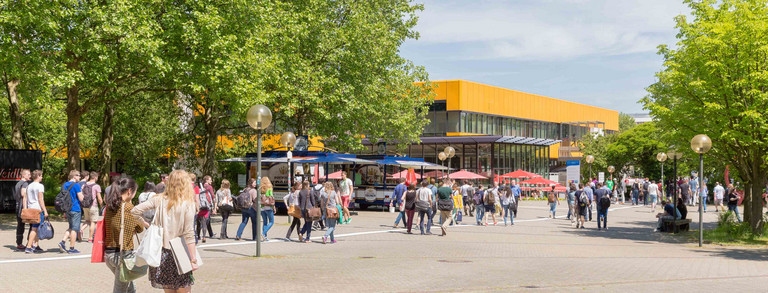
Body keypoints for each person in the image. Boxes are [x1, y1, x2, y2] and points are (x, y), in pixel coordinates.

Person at [132, 170, 198, 292]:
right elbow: (189, 234)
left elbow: (134, 210)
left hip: (161, 252)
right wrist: (193, 259)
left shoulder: (158, 199)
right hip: (180, 252)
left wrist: (145, 223)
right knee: (184, 290)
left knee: (168, 290)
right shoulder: (188, 203)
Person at [103, 177, 144, 293]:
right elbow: (140, 228)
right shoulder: (128, 207)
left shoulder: (110, 206)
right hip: (123, 256)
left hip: (109, 254)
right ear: (130, 191)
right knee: (120, 290)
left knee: (131, 288)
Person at [58, 170, 84, 254]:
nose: (80, 177)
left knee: (71, 226)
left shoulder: (64, 185)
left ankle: (62, 242)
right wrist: (82, 192)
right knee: (75, 229)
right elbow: (81, 198)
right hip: (75, 209)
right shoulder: (76, 185)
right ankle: (72, 248)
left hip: (67, 209)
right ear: (74, 176)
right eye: (78, 175)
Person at [23, 170, 47, 254]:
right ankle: (29, 246)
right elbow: (41, 199)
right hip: (37, 209)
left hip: (30, 208)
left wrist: (25, 208)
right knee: (34, 228)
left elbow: (25, 198)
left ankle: (36, 245)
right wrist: (45, 211)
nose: (42, 177)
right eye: (41, 176)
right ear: (38, 176)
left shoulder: (29, 186)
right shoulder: (40, 186)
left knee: (36, 228)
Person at [83, 171, 104, 242]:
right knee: (93, 222)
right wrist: (102, 206)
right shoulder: (96, 186)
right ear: (95, 177)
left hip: (85, 205)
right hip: (93, 205)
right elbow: (99, 198)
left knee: (87, 221)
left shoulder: (84, 185)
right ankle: (90, 238)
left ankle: (81, 229)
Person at [14, 169, 31, 251]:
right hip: (22, 207)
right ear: (23, 175)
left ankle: (19, 243)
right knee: (32, 224)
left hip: (17, 206)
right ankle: (29, 242)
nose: (30, 176)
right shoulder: (25, 183)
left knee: (20, 225)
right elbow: (23, 194)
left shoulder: (18, 183)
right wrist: (25, 208)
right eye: (28, 174)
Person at [194, 174, 214, 243]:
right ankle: (204, 237)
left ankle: (198, 236)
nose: (211, 181)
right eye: (210, 179)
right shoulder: (209, 187)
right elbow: (212, 196)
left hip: (199, 207)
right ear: (207, 180)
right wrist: (213, 206)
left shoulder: (198, 187)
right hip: (206, 207)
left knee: (198, 223)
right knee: (204, 222)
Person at [259, 177, 275, 241]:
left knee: (265, 222)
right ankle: (263, 233)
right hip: (268, 207)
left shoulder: (260, 188)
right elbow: (271, 198)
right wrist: (274, 207)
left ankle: (265, 237)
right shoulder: (269, 188)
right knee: (271, 221)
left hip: (262, 207)